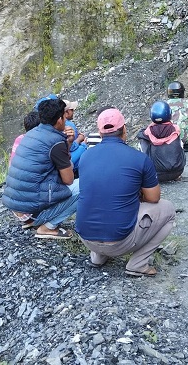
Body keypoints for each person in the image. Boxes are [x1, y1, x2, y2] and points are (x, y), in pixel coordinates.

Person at [75, 108, 176, 277]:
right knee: (169, 210)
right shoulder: (139, 158)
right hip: (120, 241)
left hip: (86, 238)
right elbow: (154, 197)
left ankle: (98, 256)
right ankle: (138, 263)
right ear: (124, 130)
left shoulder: (86, 156)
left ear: (100, 133)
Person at [1, 97, 78, 239]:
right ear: (60, 119)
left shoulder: (30, 134)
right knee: (84, 186)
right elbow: (68, 179)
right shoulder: (56, 142)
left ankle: (34, 220)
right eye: (64, 117)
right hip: (32, 211)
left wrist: (68, 143)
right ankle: (47, 227)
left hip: (18, 208)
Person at [137, 101, 185, 182]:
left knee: (142, 143)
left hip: (155, 175)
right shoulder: (176, 129)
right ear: (169, 114)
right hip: (177, 172)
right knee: (180, 142)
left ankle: (145, 173)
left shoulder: (147, 132)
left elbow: (140, 135)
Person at [62, 100, 87, 172]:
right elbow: (71, 147)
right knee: (84, 148)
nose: (73, 112)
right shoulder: (69, 125)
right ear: (67, 112)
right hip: (68, 160)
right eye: (72, 110)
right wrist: (80, 140)